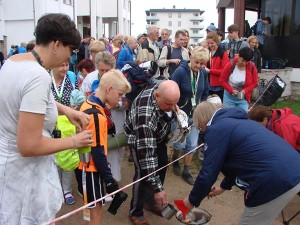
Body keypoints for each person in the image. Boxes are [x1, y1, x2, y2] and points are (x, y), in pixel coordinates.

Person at [0, 13, 92, 224]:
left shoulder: (13, 62)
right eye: (70, 50)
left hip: (7, 169)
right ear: (57, 44)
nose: (69, 59)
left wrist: (66, 111)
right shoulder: (38, 76)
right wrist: (73, 142)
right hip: (25, 181)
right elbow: (29, 145)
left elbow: (24, 101)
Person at [183, 102, 300, 225]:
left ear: (202, 120)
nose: (201, 130)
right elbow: (239, 162)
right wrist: (223, 187)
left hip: (274, 178)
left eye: (199, 126)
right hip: (294, 167)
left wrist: (191, 201)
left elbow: (208, 173)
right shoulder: (238, 122)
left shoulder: (216, 129)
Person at [78, 70, 131, 225]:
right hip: (91, 170)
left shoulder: (88, 102)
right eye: (120, 94)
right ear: (109, 89)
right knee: (96, 213)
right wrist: (109, 180)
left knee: (89, 210)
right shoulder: (97, 116)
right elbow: (98, 151)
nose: (121, 99)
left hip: (84, 167)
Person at [124, 80, 180, 225]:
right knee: (143, 173)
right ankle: (135, 212)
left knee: (162, 163)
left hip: (157, 135)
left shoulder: (162, 87)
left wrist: (173, 108)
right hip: (139, 139)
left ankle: (150, 201)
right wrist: (158, 189)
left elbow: (168, 101)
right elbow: (147, 159)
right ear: (156, 96)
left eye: (175, 103)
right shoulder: (145, 118)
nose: (173, 108)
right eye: (169, 104)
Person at [171, 46, 209, 185]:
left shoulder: (203, 73)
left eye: (202, 63)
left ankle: (186, 169)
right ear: (191, 57)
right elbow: (172, 90)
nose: (198, 66)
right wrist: (175, 107)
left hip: (196, 115)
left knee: (192, 144)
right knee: (180, 143)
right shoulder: (180, 72)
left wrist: (203, 107)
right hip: (181, 114)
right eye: (196, 62)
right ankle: (175, 159)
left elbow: (205, 92)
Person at [51, 61, 79, 205]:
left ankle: (66, 190)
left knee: (69, 156)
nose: (64, 68)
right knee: (53, 157)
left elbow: (78, 96)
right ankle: (56, 188)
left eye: (67, 64)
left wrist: (76, 105)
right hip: (51, 125)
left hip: (68, 124)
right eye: (61, 65)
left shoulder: (71, 77)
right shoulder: (45, 78)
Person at [220, 47, 258, 111]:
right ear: (238, 56)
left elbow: (254, 83)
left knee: (242, 117)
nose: (244, 63)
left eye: (247, 61)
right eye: (242, 60)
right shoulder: (230, 65)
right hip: (229, 98)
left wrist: (245, 91)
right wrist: (231, 90)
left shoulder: (252, 66)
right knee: (229, 117)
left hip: (243, 98)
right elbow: (222, 81)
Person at [205, 31, 230, 101]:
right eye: (208, 43)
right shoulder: (207, 52)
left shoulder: (222, 53)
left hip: (218, 85)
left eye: (212, 43)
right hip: (208, 83)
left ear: (217, 42)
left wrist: (210, 71)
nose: (210, 45)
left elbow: (225, 71)